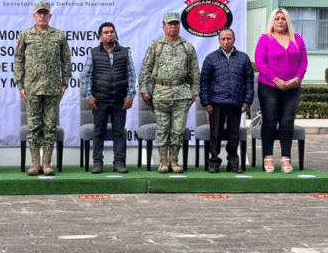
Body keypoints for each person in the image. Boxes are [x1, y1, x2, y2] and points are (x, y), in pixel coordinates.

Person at [14, 1, 71, 176]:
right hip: (32, 88)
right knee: (33, 127)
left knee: (50, 126)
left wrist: (65, 82)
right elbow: (18, 61)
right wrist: (20, 84)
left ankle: (47, 164)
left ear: (50, 16)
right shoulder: (25, 35)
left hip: (53, 88)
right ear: (34, 16)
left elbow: (66, 60)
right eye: (39, 13)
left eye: (45, 13)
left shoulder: (59, 35)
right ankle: (35, 164)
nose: (42, 16)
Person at [138, 12, 200, 173]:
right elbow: (146, 68)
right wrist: (144, 90)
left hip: (181, 93)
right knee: (163, 128)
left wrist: (195, 91)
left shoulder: (187, 46)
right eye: (170, 24)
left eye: (176, 24)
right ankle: (163, 162)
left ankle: (175, 162)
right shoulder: (156, 45)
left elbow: (195, 71)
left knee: (178, 130)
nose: (173, 27)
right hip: (161, 93)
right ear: (164, 26)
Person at [254, 8, 308, 173]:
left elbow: (303, 62)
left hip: (292, 88)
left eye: (283, 18)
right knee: (270, 122)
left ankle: (286, 158)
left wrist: (296, 79)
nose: (280, 21)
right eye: (277, 18)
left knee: (287, 122)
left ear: (287, 21)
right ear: (272, 21)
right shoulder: (265, 39)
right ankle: (268, 157)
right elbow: (260, 62)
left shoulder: (297, 39)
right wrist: (276, 80)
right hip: (269, 87)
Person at [80, 22, 136, 174]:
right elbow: (86, 76)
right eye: (106, 32)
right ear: (100, 36)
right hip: (100, 101)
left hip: (120, 101)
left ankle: (119, 163)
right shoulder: (93, 53)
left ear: (115, 34)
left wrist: (130, 95)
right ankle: (97, 164)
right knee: (99, 132)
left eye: (112, 31)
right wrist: (89, 96)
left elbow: (131, 75)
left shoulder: (125, 52)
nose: (110, 34)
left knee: (119, 133)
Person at [199, 28, 255, 173]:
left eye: (229, 38)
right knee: (215, 134)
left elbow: (249, 81)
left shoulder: (243, 58)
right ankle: (214, 163)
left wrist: (247, 101)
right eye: (223, 39)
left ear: (234, 40)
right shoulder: (210, 58)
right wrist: (206, 103)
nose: (226, 41)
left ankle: (233, 163)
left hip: (236, 103)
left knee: (234, 134)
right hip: (216, 103)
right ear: (219, 41)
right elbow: (203, 83)